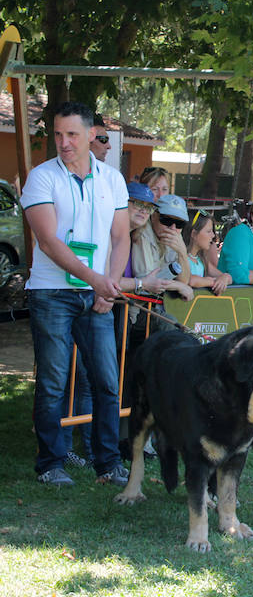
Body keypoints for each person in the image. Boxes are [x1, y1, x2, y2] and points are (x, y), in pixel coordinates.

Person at [21, 101, 131, 487]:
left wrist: (110, 286)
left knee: (106, 381)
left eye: (71, 134)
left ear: (91, 136)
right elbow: (48, 242)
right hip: (51, 293)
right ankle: (51, 463)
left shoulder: (112, 179)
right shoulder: (40, 177)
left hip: (98, 295)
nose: (63, 142)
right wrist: (96, 279)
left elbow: (121, 239)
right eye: (57, 134)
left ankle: (108, 463)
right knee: (53, 381)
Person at [131, 193, 191, 284]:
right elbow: (146, 283)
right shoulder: (143, 232)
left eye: (180, 223)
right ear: (154, 215)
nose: (173, 228)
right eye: (167, 220)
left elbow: (184, 280)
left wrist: (182, 253)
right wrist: (178, 286)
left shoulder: (176, 234)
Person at [184, 211, 232, 295]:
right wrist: (213, 282)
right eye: (209, 231)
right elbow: (190, 280)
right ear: (194, 234)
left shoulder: (201, 260)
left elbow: (229, 278)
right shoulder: (181, 258)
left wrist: (225, 277)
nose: (213, 235)